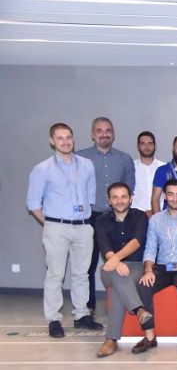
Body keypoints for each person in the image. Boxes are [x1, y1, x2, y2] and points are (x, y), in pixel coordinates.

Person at [26, 122, 103, 337]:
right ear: (52, 141)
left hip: (83, 227)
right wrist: (52, 224)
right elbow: (33, 204)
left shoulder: (86, 165)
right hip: (56, 227)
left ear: (73, 139)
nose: (65, 141)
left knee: (82, 273)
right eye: (60, 138)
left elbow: (90, 196)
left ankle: (82, 315)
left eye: (68, 137)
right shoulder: (42, 169)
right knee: (55, 274)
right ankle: (54, 319)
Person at [76, 116, 135, 315]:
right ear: (92, 134)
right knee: (88, 264)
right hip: (89, 217)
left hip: (116, 218)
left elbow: (129, 188)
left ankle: (123, 303)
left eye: (108, 130)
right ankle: (88, 307)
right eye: (99, 130)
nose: (104, 134)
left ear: (113, 134)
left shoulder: (124, 159)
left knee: (122, 261)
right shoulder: (80, 158)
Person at [135, 178, 177, 354]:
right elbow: (150, 248)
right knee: (143, 285)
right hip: (163, 266)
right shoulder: (155, 220)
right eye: (170, 194)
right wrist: (148, 270)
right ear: (164, 196)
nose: (174, 198)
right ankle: (150, 336)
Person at [96, 182, 151, 357]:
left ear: (130, 199)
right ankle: (139, 309)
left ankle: (111, 340)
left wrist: (117, 259)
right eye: (115, 197)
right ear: (109, 200)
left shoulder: (140, 216)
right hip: (109, 268)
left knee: (118, 288)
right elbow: (105, 247)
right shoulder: (101, 221)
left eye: (123, 197)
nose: (120, 201)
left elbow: (136, 242)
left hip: (135, 267)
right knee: (116, 273)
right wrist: (116, 262)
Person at [132, 131, 165, 216]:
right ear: (138, 147)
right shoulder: (130, 168)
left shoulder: (164, 168)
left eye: (150, 143)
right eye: (143, 143)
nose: (146, 147)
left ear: (155, 146)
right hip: (136, 216)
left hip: (161, 215)